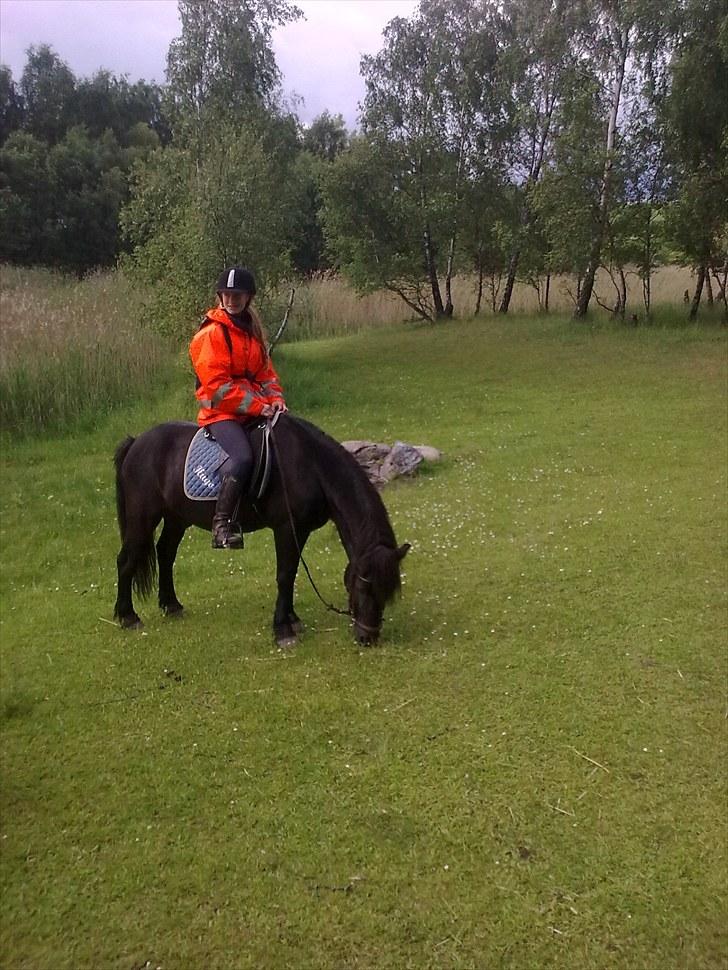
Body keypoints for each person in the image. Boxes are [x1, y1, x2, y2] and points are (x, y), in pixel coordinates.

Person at [189, 267, 287, 549]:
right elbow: (217, 388)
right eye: (228, 295)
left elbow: (265, 374)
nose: (232, 299)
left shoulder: (250, 334)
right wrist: (258, 406)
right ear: (221, 296)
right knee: (243, 457)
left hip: (252, 410)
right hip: (221, 414)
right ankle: (221, 525)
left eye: (238, 295)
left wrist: (276, 398)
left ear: (248, 297)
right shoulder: (211, 334)